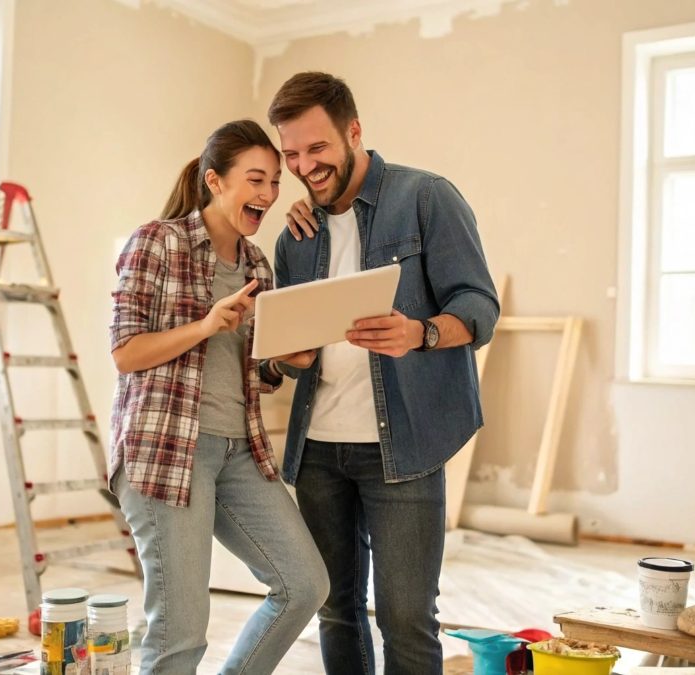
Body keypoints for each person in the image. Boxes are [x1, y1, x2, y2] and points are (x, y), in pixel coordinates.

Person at [263, 72, 500, 673]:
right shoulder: (296, 235)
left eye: (317, 149)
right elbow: (290, 349)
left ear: (354, 132)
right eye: (291, 155)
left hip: (406, 447)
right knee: (336, 611)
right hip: (318, 451)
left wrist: (420, 333)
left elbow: (479, 306)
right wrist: (288, 359)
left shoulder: (425, 197)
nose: (304, 167)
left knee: (406, 618)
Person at [109, 119, 328, 674]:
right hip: (165, 452)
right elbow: (126, 353)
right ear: (214, 181)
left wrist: (286, 360)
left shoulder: (257, 266)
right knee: (180, 633)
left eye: (275, 182)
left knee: (303, 584)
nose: (269, 194)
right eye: (256, 180)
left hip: (239, 451)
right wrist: (205, 325)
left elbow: (253, 374)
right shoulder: (157, 242)